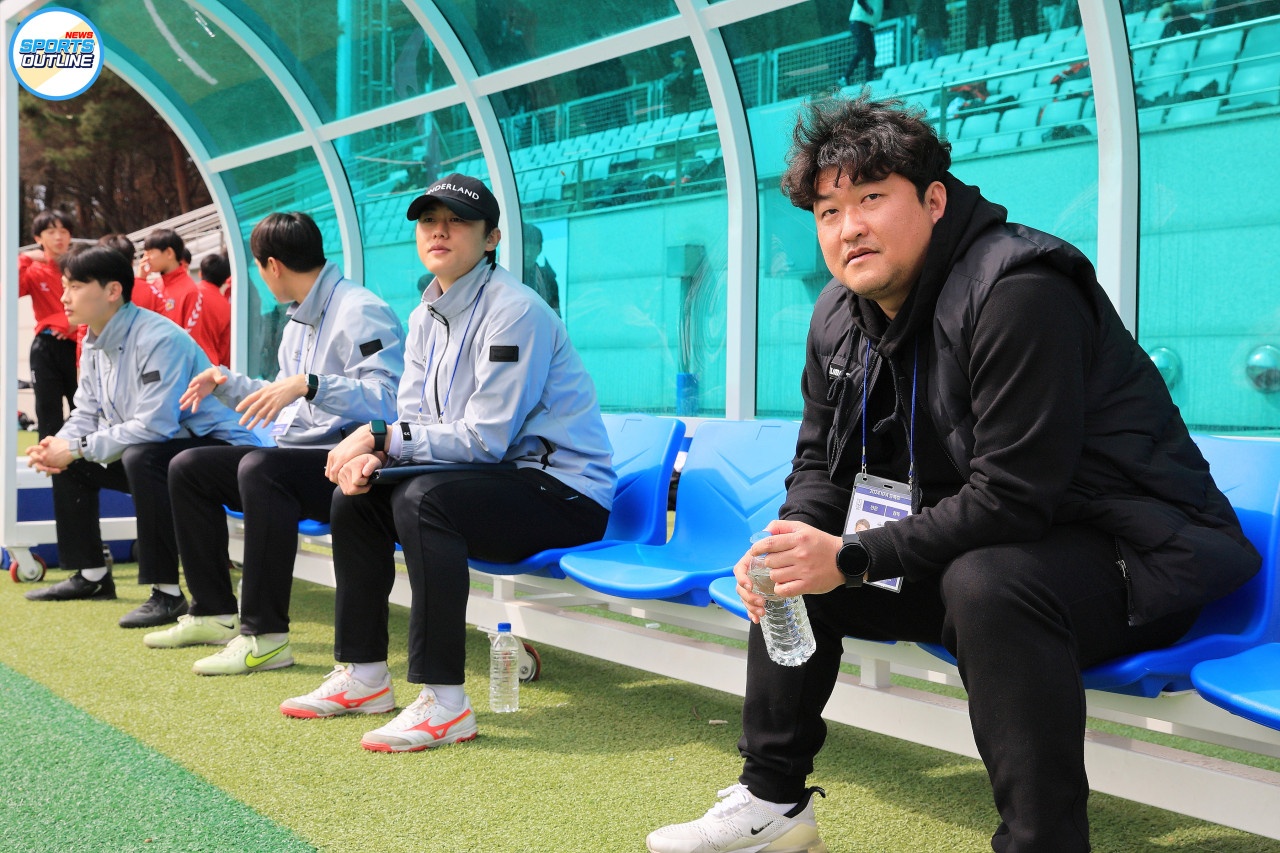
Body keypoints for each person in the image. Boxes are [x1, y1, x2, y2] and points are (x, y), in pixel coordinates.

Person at [645, 94, 1260, 853]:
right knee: (791, 565)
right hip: (979, 557)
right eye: (829, 211)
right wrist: (798, 539)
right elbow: (818, 464)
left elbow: (1014, 497)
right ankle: (773, 802)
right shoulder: (837, 314)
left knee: (987, 582)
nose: (849, 227)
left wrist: (854, 557)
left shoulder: (1019, 289)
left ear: (934, 202)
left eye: (872, 198)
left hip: (1134, 556)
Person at [280, 174, 615, 753]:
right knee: (356, 497)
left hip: (564, 493)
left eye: (457, 220)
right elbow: (416, 420)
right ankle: (364, 675)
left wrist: (380, 435)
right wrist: (378, 456)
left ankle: (446, 702)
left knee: (423, 500)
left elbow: (486, 439)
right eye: (429, 220)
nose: (439, 230)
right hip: (495, 479)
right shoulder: (424, 316)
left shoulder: (515, 310)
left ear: (491, 238)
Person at [145, 212, 405, 676]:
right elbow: (286, 396)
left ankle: (264, 637)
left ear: (272, 265)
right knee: (189, 467)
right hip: (302, 458)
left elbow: (389, 399)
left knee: (261, 470)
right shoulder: (298, 319)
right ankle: (213, 613)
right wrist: (226, 383)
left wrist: (312, 384)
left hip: (353, 466)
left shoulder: (360, 309)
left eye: (258, 268)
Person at [23, 246, 258, 630]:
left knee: (140, 456)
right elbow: (86, 412)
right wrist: (58, 445)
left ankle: (166, 594)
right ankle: (92, 575)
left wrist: (77, 447)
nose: (64, 297)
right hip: (163, 449)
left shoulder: (158, 337)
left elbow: (156, 426)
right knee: (75, 461)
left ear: (113, 290)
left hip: (220, 450)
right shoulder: (94, 339)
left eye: (75, 286)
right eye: (64, 286)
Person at [18, 210, 80, 438]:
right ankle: (49, 457)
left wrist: (75, 325)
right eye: (51, 231)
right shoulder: (33, 269)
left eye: (64, 231)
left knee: (83, 409)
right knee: (47, 412)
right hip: (46, 347)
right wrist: (24, 259)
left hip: (80, 346)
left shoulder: (82, 267)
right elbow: (7, 293)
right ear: (38, 238)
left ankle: (86, 459)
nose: (59, 237)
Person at [191, 251, 232, 367]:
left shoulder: (187, 293)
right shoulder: (227, 308)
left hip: (181, 363)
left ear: (200, 273)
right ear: (225, 279)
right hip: (209, 367)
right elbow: (225, 351)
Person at [839, 0, 883, 87]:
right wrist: (868, 10)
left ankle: (869, 80)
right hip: (859, 22)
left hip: (866, 23)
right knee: (863, 50)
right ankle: (845, 77)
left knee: (871, 53)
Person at [522, 221, 560, 316]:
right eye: (525, 248)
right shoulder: (509, 274)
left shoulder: (548, 279)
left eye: (532, 248)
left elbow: (556, 315)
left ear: (539, 250)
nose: (528, 253)